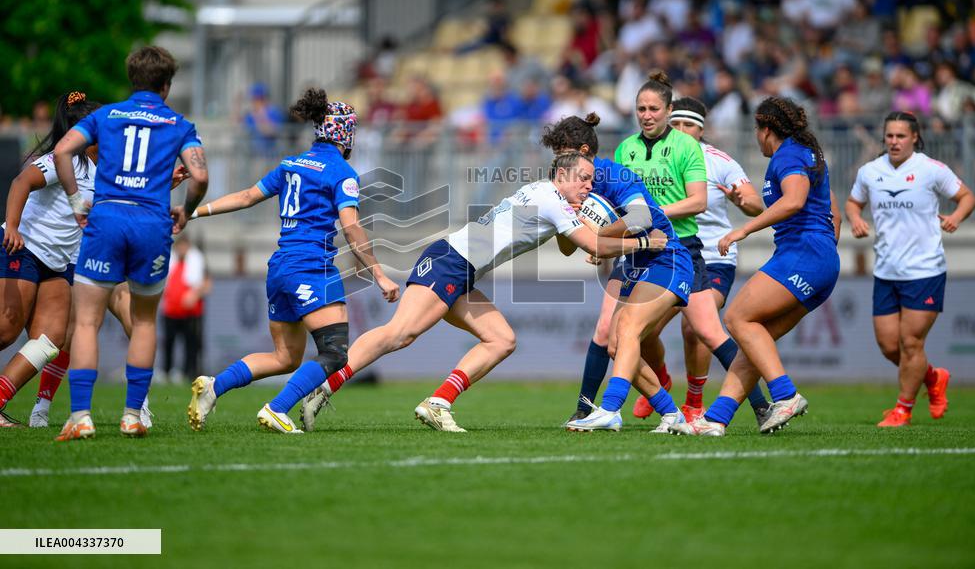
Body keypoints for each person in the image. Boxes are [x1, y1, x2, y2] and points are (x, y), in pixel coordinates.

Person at [300, 149, 684, 433]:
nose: (589, 185)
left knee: (501, 339)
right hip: (451, 261)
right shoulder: (553, 202)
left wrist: (601, 228)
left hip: (461, 267)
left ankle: (439, 402)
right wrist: (644, 244)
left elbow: (579, 241)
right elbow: (595, 246)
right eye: (583, 178)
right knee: (400, 334)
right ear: (563, 175)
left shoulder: (547, 195)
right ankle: (324, 385)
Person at [185, 91, 399, 433]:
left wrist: (192, 211)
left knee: (285, 357)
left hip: (280, 266)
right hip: (311, 265)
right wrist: (380, 274)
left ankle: (213, 387)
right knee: (335, 351)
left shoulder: (291, 164)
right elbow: (351, 226)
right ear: (347, 136)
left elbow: (245, 197)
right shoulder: (342, 172)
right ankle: (276, 408)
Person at [52, 46, 209, 441]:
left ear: (131, 80)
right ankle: (132, 415)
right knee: (142, 321)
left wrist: (75, 202)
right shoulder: (179, 123)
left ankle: (81, 417)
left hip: (106, 218)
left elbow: (62, 150)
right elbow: (200, 176)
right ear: (167, 86)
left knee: (87, 321)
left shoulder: (106, 116)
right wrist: (186, 210)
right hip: (151, 224)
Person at [0, 92, 171, 429]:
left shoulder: (103, 169)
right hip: (23, 248)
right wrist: (14, 227)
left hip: (58, 263)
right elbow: (21, 182)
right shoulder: (64, 160)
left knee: (50, 341)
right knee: (5, 331)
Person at [690, 97, 842, 436]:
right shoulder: (806, 153)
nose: (756, 138)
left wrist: (743, 229)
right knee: (754, 341)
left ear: (766, 130)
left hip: (802, 253)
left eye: (757, 131)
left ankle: (785, 395)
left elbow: (794, 201)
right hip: (818, 257)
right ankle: (715, 420)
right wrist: (825, 252)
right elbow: (833, 209)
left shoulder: (787, 154)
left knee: (735, 318)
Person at [537, 114, 698, 432]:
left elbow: (641, 216)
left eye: (562, 154)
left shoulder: (612, 174)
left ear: (583, 150)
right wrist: (567, 220)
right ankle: (672, 414)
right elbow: (570, 248)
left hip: (667, 257)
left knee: (627, 330)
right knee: (615, 343)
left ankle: (610, 409)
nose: (559, 162)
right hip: (638, 263)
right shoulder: (568, 187)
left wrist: (601, 240)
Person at [633, 97, 771, 425]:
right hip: (666, 255)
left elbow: (755, 203)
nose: (681, 130)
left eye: (688, 125)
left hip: (711, 257)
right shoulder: (655, 155)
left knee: (696, 327)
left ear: (701, 129)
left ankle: (694, 402)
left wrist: (743, 201)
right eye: (677, 124)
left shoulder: (719, 161)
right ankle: (662, 381)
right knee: (641, 332)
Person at [845, 111, 975, 427]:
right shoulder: (870, 171)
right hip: (886, 271)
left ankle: (902, 410)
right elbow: (852, 202)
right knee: (890, 346)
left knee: (911, 343)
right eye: (889, 136)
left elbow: (967, 196)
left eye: (900, 136)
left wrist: (956, 217)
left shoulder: (931, 170)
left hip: (925, 270)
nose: (894, 142)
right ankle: (933, 377)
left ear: (914, 137)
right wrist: (856, 219)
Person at [159, 233, 211, 384]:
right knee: (168, 343)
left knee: (191, 345)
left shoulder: (198, 260)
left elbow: (207, 283)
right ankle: (166, 372)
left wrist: (195, 294)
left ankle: (189, 374)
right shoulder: (170, 260)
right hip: (170, 311)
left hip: (192, 312)